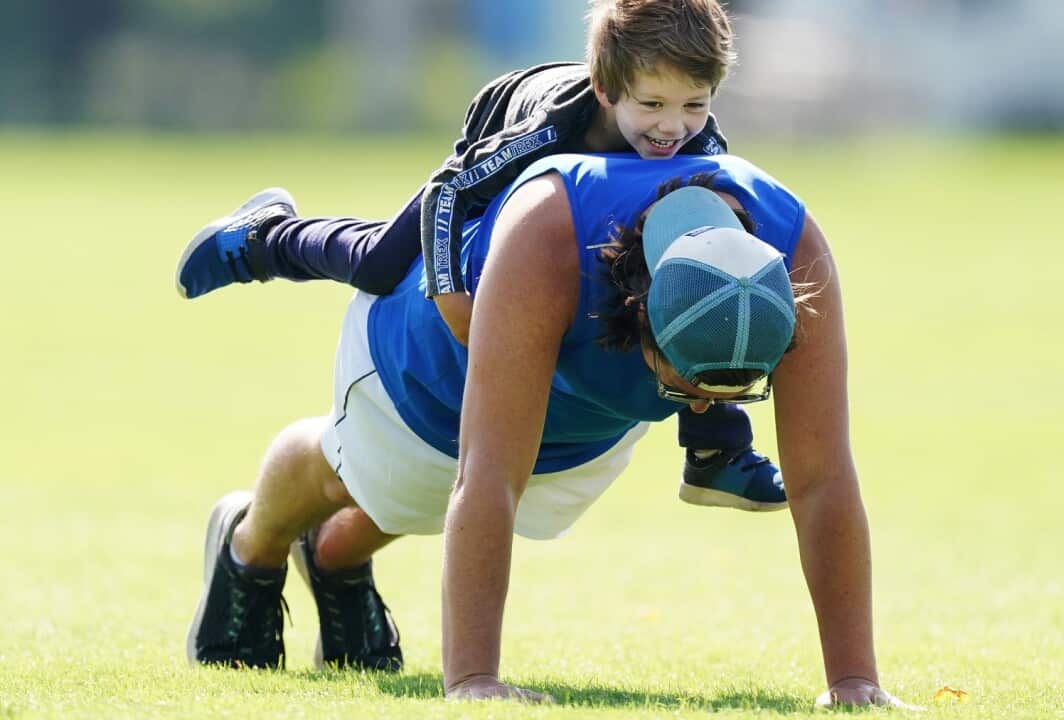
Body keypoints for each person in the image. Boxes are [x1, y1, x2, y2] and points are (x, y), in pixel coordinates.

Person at [185, 151, 907, 709]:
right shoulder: (550, 232)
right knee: (373, 474)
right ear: (638, 308)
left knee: (438, 505)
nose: (695, 404)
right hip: (434, 361)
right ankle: (253, 542)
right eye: (680, 379)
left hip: (586, 410)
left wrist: (853, 679)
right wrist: (474, 678)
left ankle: (336, 558)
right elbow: (486, 474)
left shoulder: (793, 248)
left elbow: (823, 478)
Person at [173, 0, 785, 515]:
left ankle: (716, 450)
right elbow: (449, 193)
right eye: (651, 106)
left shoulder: (701, 147)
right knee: (382, 267)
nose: (672, 128)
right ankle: (265, 237)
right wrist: (450, 295)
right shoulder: (548, 130)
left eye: (693, 105)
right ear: (607, 89)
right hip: (495, 136)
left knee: (699, 282)